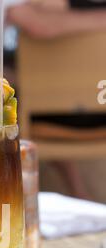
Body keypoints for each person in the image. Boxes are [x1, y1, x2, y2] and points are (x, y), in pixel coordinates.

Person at [7, 0, 106, 199]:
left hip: (50, 116)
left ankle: (76, 193)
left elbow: (31, 22)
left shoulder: (49, 9)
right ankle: (78, 193)